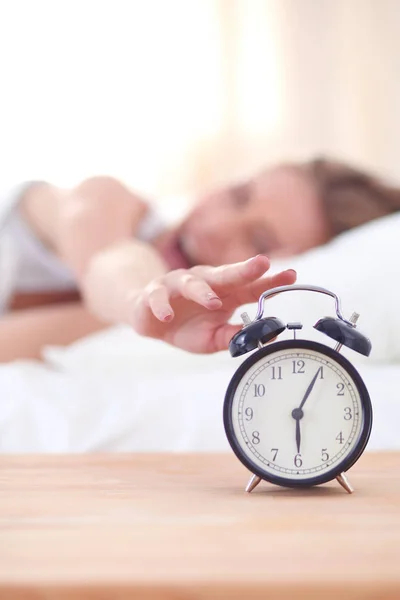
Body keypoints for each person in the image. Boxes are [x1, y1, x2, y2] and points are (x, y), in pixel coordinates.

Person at [0, 157, 399, 361]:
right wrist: (141, 295)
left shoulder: (145, 327)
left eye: (258, 239)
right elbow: (112, 261)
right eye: (237, 195)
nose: (215, 227)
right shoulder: (107, 201)